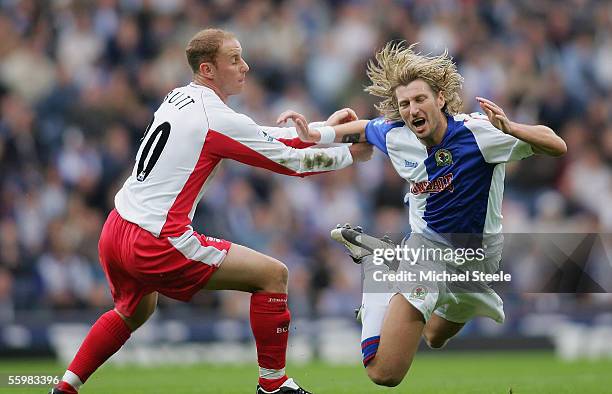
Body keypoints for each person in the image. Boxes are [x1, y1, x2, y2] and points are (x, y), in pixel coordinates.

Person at [50, 28, 373, 394]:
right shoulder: (214, 118)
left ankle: (64, 388)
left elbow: (261, 136)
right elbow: (292, 162)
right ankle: (274, 385)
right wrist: (350, 153)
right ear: (208, 69)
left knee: (133, 311)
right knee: (273, 276)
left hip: (118, 227)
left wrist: (325, 131)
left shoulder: (180, 97)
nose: (245, 67)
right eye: (234, 59)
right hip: (156, 238)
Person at [278, 41, 567, 387]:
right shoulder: (399, 136)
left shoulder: (479, 134)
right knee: (384, 373)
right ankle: (378, 269)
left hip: (477, 260)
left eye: (419, 99)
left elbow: (556, 145)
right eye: (404, 104)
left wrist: (511, 129)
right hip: (426, 253)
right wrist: (316, 133)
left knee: (435, 337)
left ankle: (389, 264)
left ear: (440, 99)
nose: (412, 109)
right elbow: (364, 128)